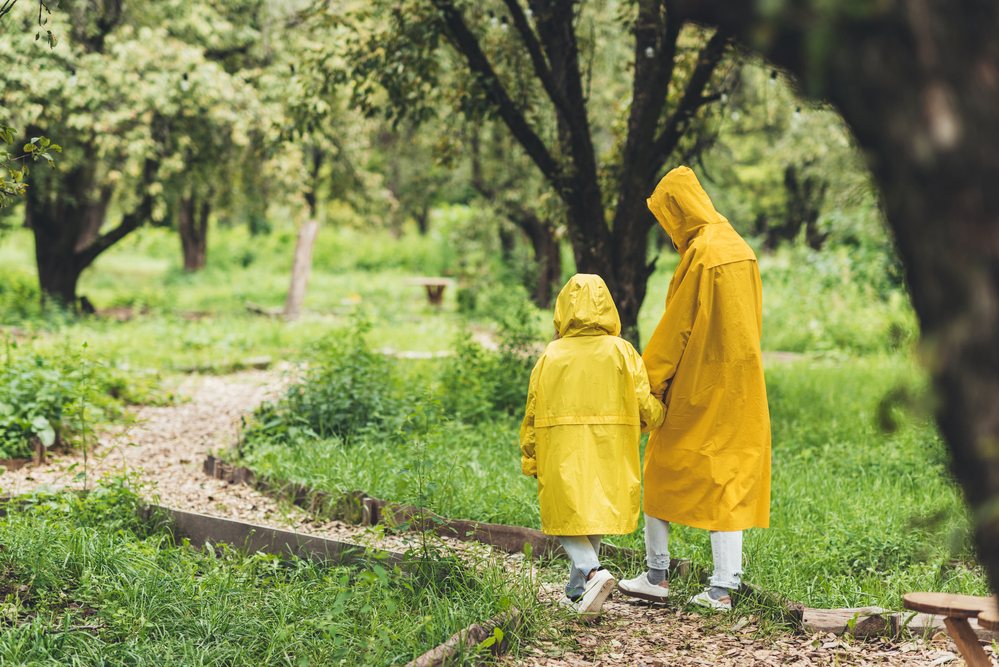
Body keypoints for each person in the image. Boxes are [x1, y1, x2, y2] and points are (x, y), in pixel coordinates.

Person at [618, 166, 771, 611]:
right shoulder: (740, 248)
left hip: (699, 385)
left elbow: (676, 330)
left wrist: (649, 383)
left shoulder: (701, 255)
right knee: (729, 477)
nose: (668, 230)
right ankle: (723, 587)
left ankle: (656, 576)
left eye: (667, 217)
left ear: (679, 210)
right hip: (743, 385)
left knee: (663, 469)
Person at [520, 274, 666, 620]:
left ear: (563, 307)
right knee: (591, 513)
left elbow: (533, 409)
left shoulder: (551, 355)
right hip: (610, 449)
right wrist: (658, 417)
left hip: (560, 448)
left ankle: (591, 572)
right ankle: (575, 595)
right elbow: (645, 404)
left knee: (562, 518)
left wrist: (531, 453)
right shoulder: (623, 351)